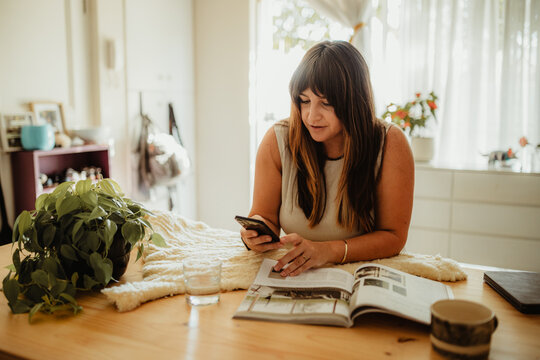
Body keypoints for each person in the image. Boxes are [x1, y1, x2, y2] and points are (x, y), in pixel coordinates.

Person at [240, 40, 414, 277]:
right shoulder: (276, 140)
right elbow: (265, 216)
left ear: (353, 102)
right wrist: (255, 235)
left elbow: (394, 237)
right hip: (295, 274)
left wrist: (328, 251)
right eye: (304, 100)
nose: (312, 116)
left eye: (326, 103)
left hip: (362, 274)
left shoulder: (391, 143)